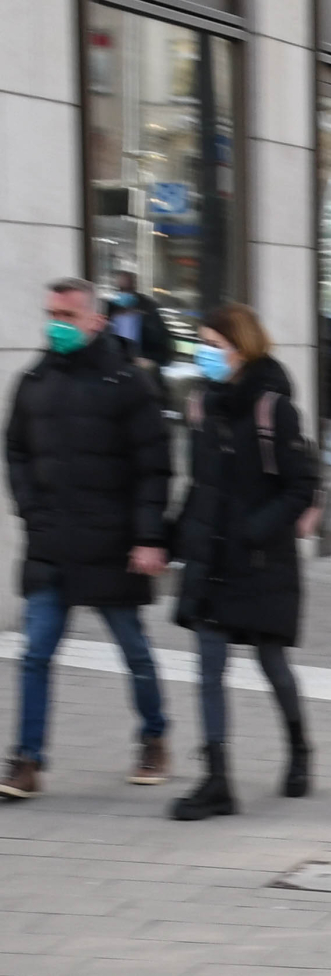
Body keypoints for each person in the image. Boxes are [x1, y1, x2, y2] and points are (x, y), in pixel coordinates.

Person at [3, 277, 173, 801]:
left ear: (96, 321)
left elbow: (154, 468)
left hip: (112, 544)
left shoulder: (128, 384)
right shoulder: (34, 381)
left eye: (68, 316)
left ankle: (154, 735)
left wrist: (148, 537)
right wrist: (32, 511)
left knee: (134, 651)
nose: (56, 324)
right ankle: (28, 760)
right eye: (51, 313)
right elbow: (17, 453)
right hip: (52, 542)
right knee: (36, 655)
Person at [165, 302, 320, 819]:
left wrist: (255, 530)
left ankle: (299, 749)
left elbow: (301, 487)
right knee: (208, 667)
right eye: (202, 343)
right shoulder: (203, 403)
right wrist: (172, 538)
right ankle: (217, 780)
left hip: (259, 561)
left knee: (271, 662)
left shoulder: (273, 408)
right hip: (212, 556)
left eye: (215, 344)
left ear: (242, 347)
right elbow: (201, 484)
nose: (205, 353)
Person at [105, 272, 176, 369]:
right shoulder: (109, 311)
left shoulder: (148, 311)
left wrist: (151, 361)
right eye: (120, 289)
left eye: (127, 290)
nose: (124, 294)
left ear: (134, 287)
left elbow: (163, 345)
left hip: (144, 367)